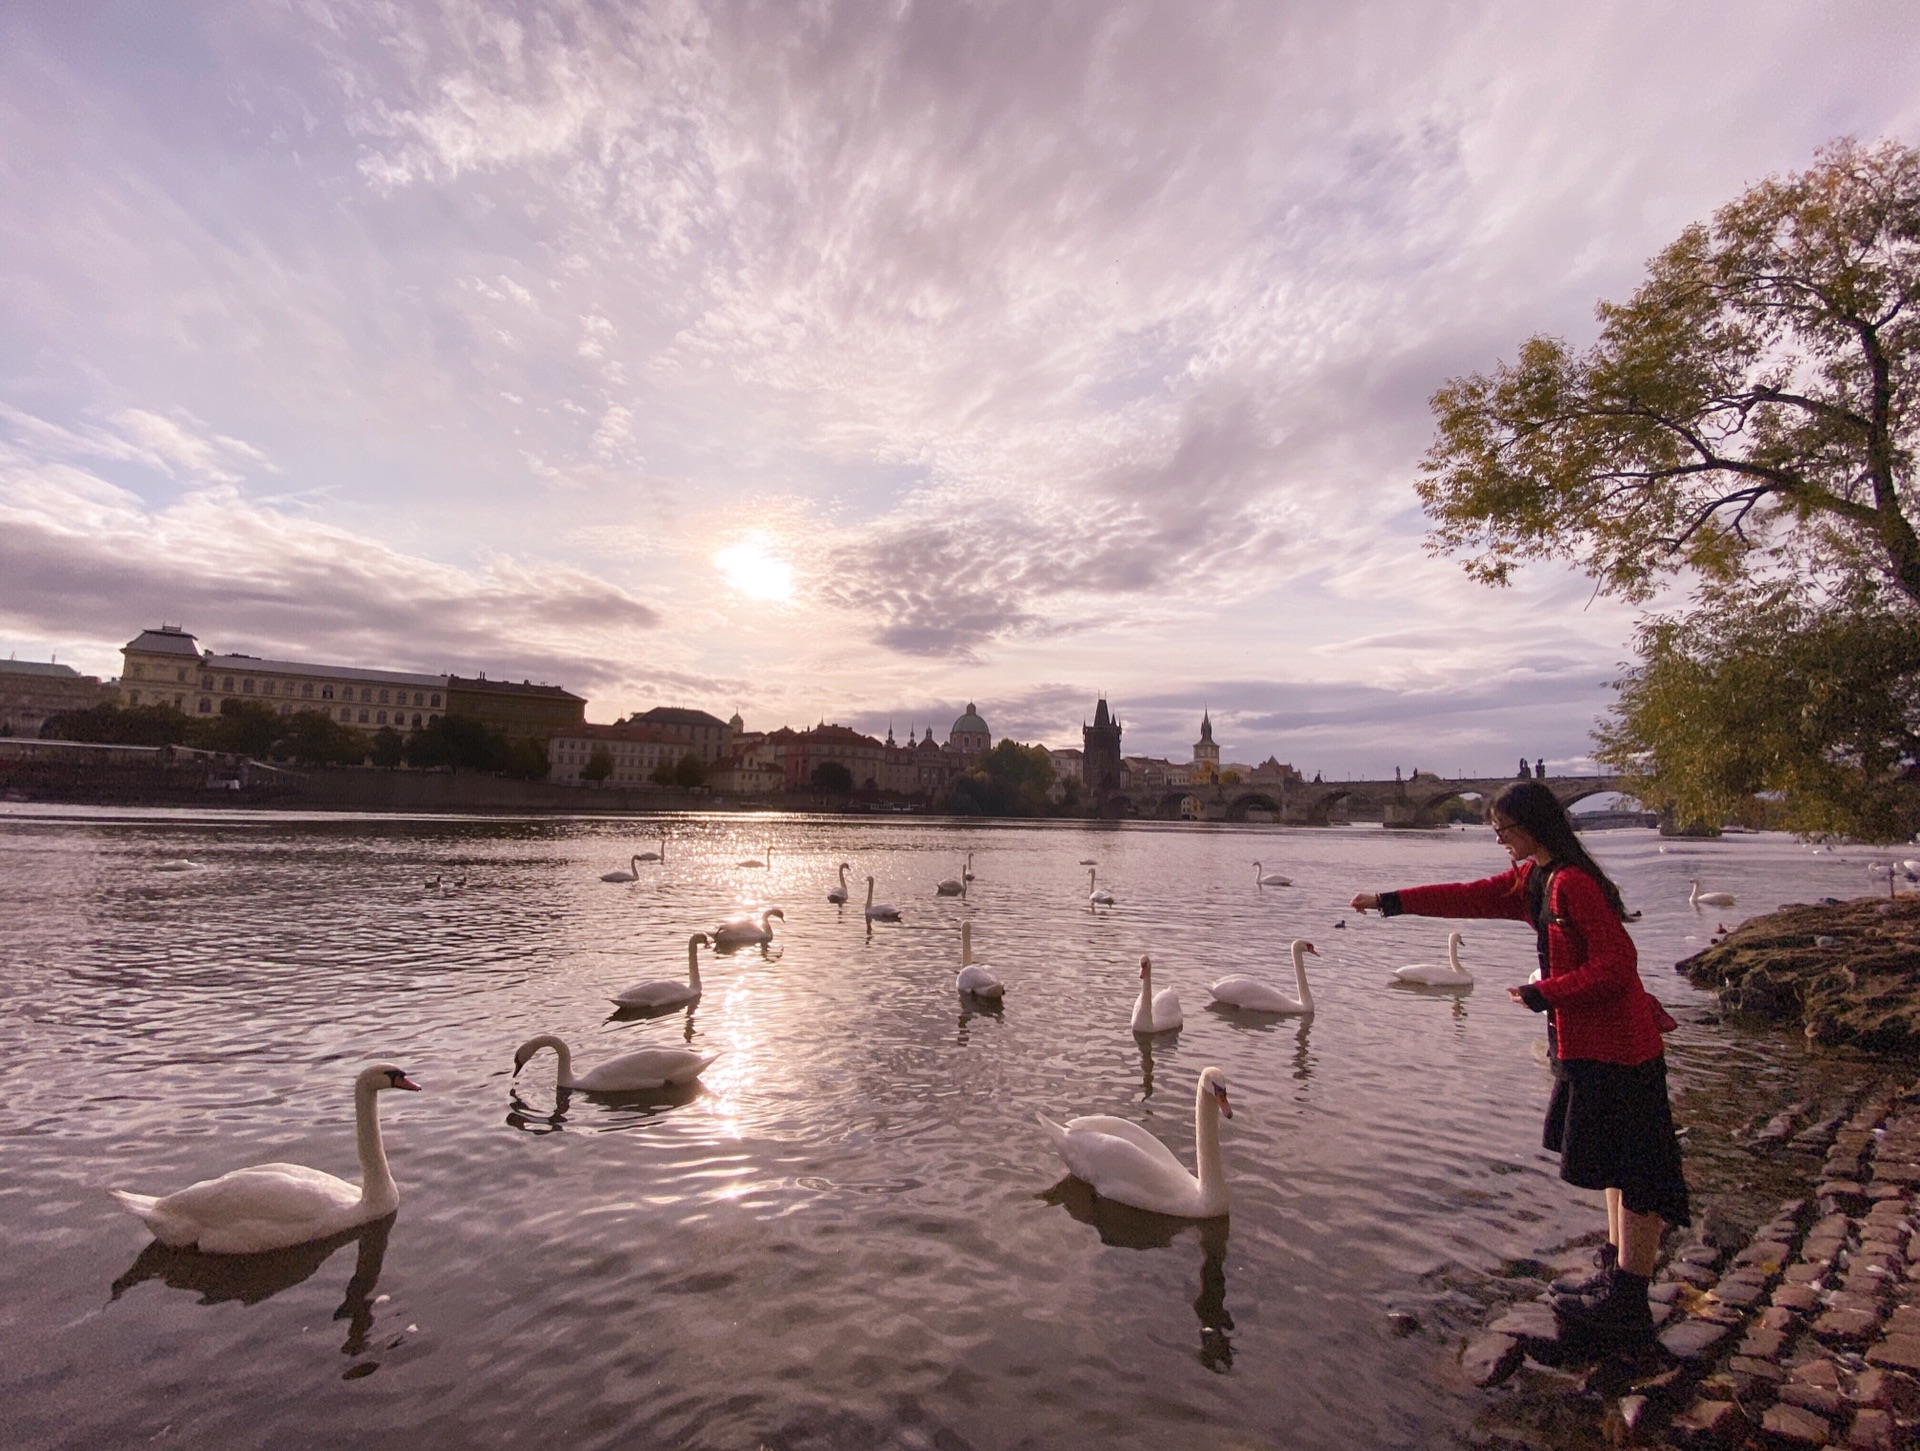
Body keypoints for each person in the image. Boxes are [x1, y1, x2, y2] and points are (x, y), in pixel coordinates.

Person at [1349, 779, 1688, 1347]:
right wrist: (1392, 902)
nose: (1499, 839)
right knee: (1611, 1162)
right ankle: (1616, 1273)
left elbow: (1617, 967)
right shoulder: (1536, 879)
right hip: (1587, 1046)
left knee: (1638, 1171)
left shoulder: (1572, 885)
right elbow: (1467, 896)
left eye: (1503, 829)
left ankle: (1630, 1297)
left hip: (1621, 1047)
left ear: (1532, 826)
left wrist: (1546, 993)